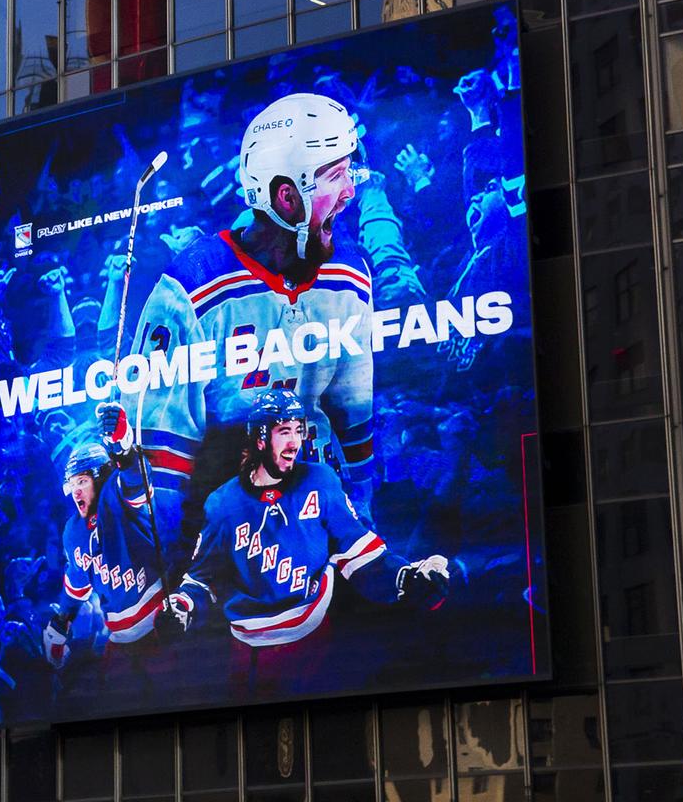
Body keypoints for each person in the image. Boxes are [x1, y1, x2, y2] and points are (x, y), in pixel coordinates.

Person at [127, 92, 422, 544]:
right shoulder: (188, 290)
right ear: (286, 196)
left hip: (319, 530)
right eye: (336, 176)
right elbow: (158, 457)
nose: (350, 191)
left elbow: (353, 418)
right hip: (230, 544)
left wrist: (359, 528)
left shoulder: (349, 275)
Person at [165, 391, 451, 659]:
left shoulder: (320, 481)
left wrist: (406, 578)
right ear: (260, 439)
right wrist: (181, 608)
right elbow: (203, 579)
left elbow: (360, 555)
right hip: (246, 649)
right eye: (284, 431)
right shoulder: (223, 503)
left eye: (298, 430)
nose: (294, 442)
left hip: (313, 638)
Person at [41, 401, 168, 671]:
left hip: (160, 627)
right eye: (72, 484)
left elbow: (136, 479)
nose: (76, 492)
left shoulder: (121, 499)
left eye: (83, 481)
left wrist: (123, 446)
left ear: (101, 478)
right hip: (118, 640)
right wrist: (60, 623)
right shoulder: (73, 531)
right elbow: (76, 589)